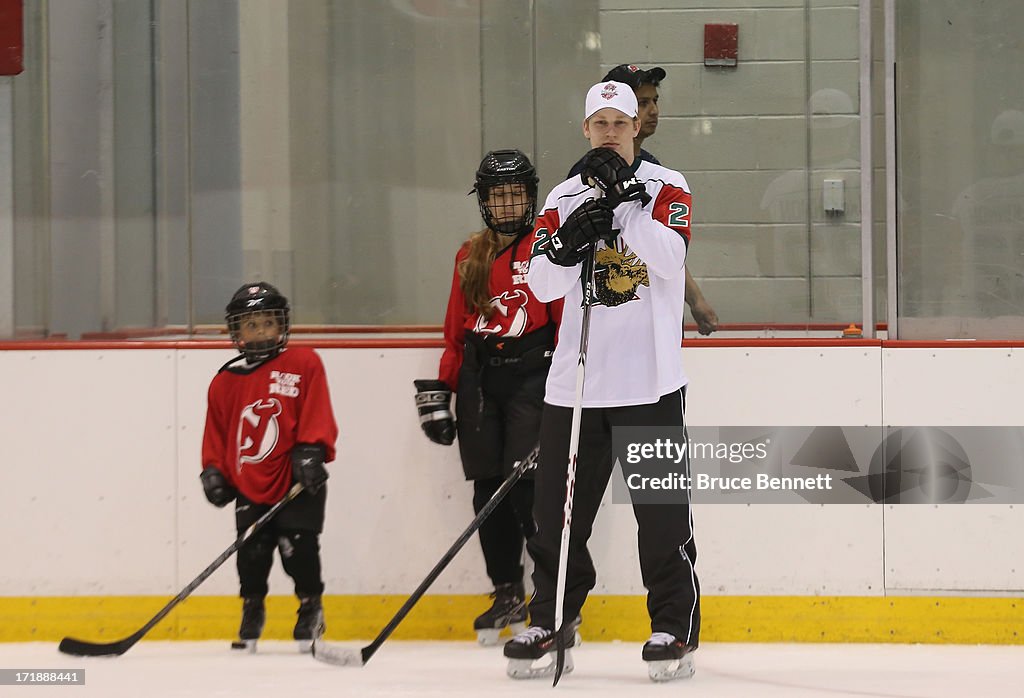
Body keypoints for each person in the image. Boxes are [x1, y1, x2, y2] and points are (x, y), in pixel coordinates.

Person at [503, 81, 700, 682]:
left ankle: (673, 626)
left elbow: (669, 260)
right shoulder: (562, 197)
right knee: (557, 516)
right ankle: (552, 617)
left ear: (638, 126)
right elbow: (539, 287)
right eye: (600, 122)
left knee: (661, 514)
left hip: (651, 384)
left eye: (622, 120)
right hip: (575, 387)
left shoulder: (670, 187)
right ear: (585, 130)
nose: (611, 131)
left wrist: (622, 206)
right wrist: (567, 243)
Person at [413, 150, 562, 645]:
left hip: (532, 376)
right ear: (483, 201)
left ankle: (550, 596)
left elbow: (563, 324)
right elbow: (456, 330)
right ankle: (506, 592)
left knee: (527, 488)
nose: (506, 204)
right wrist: (442, 387)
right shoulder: (468, 254)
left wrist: (567, 390)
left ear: (530, 196)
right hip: (480, 379)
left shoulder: (548, 247)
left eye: (515, 194)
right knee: (486, 490)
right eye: (497, 196)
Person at [200, 281, 338, 653]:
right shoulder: (224, 382)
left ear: (282, 326)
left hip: (297, 478)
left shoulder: (304, 363)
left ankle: (311, 607)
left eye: (267, 322)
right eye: (250, 324)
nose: (260, 330)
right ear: (236, 331)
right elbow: (217, 433)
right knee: (252, 552)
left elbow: (317, 410)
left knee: (299, 548)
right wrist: (213, 470)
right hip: (250, 482)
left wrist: (311, 450)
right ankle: (252, 609)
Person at [569, 64, 719, 336]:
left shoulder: (653, 169)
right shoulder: (582, 177)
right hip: (610, 319)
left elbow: (664, 243)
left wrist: (694, 299)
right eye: (643, 102)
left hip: (652, 316)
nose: (654, 110)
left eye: (655, 101)